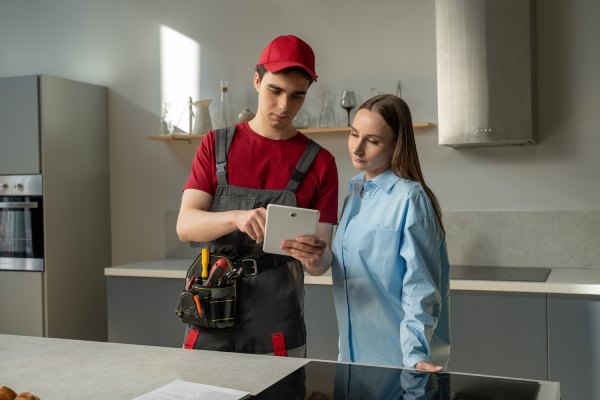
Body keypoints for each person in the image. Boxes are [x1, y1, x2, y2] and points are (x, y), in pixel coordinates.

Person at [176, 34, 338, 357]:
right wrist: (236, 217)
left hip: (277, 320)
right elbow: (185, 226)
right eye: (274, 91)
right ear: (256, 80)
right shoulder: (215, 145)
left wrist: (316, 257)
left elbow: (322, 262)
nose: (283, 106)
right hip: (211, 313)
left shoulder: (321, 163)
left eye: (296, 97)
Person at [331, 94, 450, 371]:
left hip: (400, 363)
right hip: (353, 358)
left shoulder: (410, 198)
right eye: (354, 134)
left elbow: (419, 287)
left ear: (396, 145)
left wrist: (415, 355)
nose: (357, 148)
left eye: (372, 141)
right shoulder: (355, 197)